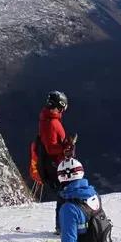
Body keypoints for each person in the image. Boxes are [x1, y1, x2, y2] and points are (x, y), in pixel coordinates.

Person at [38, 91, 74, 232]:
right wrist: (66, 147)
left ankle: (62, 225)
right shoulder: (52, 123)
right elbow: (51, 148)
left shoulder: (48, 119)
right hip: (54, 165)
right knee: (64, 194)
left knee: (63, 194)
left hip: (53, 163)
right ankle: (62, 226)